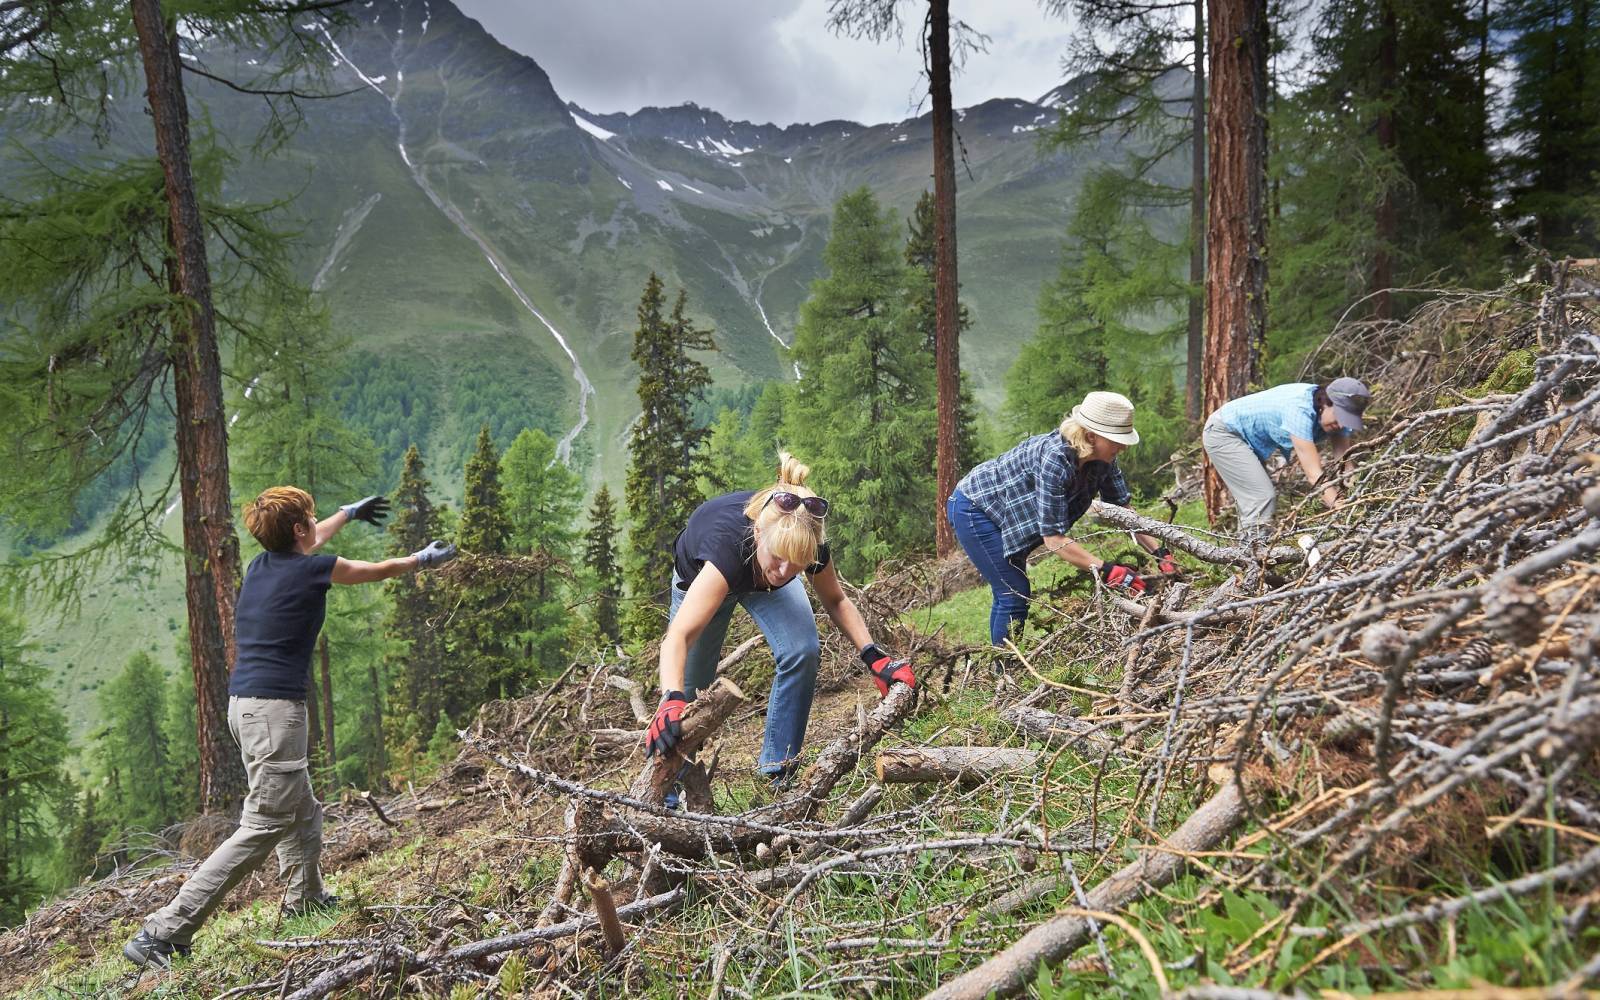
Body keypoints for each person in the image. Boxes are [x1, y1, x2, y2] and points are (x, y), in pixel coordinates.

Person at [125, 487, 458, 969]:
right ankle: (163, 931)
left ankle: (306, 897)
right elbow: (373, 570)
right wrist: (419, 561)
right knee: (263, 824)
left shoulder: (264, 565)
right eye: (311, 517)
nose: (317, 521)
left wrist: (347, 513)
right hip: (275, 714)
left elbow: (313, 538)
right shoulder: (312, 569)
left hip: (246, 707)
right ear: (299, 530)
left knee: (302, 808)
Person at [646, 453, 915, 786]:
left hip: (753, 572)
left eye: (798, 564)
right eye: (780, 558)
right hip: (706, 575)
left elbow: (836, 599)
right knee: (688, 692)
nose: (785, 572)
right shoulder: (727, 550)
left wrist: (875, 657)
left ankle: (779, 768)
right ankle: (666, 793)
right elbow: (678, 638)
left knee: (802, 648)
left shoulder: (802, 544)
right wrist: (671, 697)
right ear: (759, 533)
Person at [948, 390, 1170, 646]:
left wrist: (1160, 553)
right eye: (1116, 440)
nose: (1123, 446)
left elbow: (1124, 512)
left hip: (1013, 512)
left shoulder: (1104, 460)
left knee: (1013, 588)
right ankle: (1004, 670)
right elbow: (1053, 539)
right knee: (1013, 591)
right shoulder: (1055, 459)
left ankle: (1007, 660)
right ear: (1090, 436)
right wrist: (1109, 571)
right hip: (975, 508)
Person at [1201, 377, 1371, 538]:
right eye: (1340, 418)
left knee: (1255, 501)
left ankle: (1249, 551)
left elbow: (1345, 463)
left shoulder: (1332, 415)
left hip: (1242, 434)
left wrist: (1357, 491)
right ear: (1326, 402)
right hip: (1223, 432)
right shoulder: (1299, 411)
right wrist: (1338, 506)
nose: (1341, 425)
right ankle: (1250, 559)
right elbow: (1314, 474)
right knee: (1261, 497)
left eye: (1347, 420)